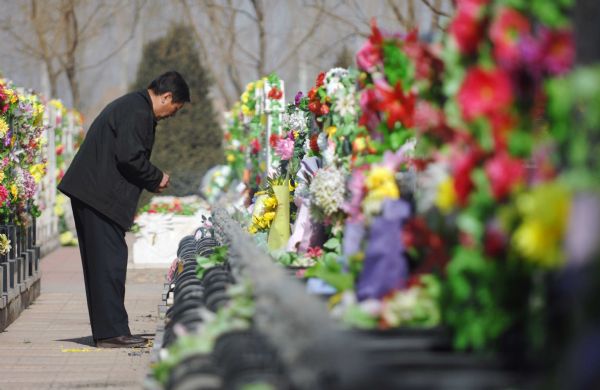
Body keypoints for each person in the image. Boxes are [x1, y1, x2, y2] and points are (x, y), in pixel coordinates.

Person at [58, 71, 190, 348]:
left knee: (105, 263)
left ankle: (112, 330)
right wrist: (156, 177)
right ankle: (111, 334)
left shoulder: (133, 105)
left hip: (94, 195)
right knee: (108, 265)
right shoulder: (138, 110)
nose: (170, 115)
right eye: (173, 109)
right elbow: (129, 156)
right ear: (166, 97)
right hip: (98, 196)